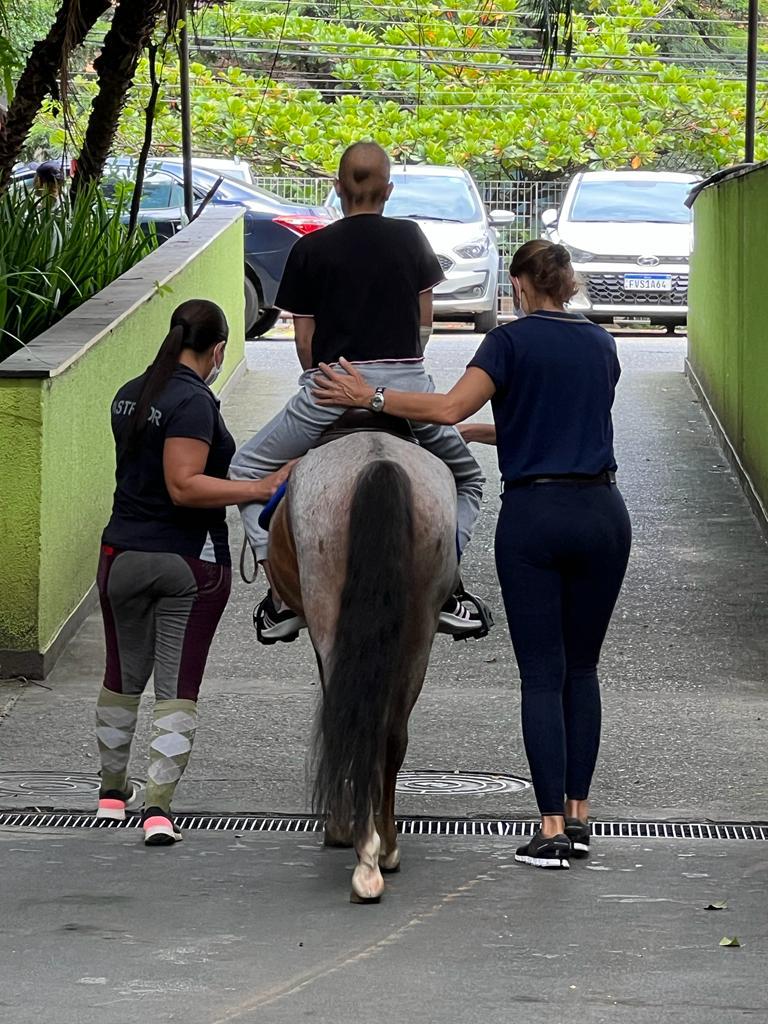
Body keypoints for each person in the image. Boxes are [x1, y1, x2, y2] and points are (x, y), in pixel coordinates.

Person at [312, 240, 632, 871]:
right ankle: (580, 816)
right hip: (602, 513)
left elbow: (449, 405)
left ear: (517, 286)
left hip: (537, 517)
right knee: (582, 669)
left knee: (541, 673)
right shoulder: (602, 344)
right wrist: (482, 433)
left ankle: (548, 832)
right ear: (567, 286)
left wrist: (369, 397)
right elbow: (560, 420)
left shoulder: (508, 343)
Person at [229, 142, 490, 644]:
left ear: (336, 187)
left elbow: (305, 340)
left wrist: (323, 382)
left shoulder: (309, 249)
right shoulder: (411, 237)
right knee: (469, 479)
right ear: (388, 191)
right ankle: (449, 588)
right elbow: (424, 323)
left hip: (331, 387)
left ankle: (282, 595)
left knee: (246, 468)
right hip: (406, 387)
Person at [94, 300, 292, 845]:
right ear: (218, 349)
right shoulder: (193, 401)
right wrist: (261, 487)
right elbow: (185, 485)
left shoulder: (130, 392)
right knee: (177, 687)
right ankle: (157, 810)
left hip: (120, 556)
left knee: (121, 675)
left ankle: (112, 795)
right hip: (188, 560)